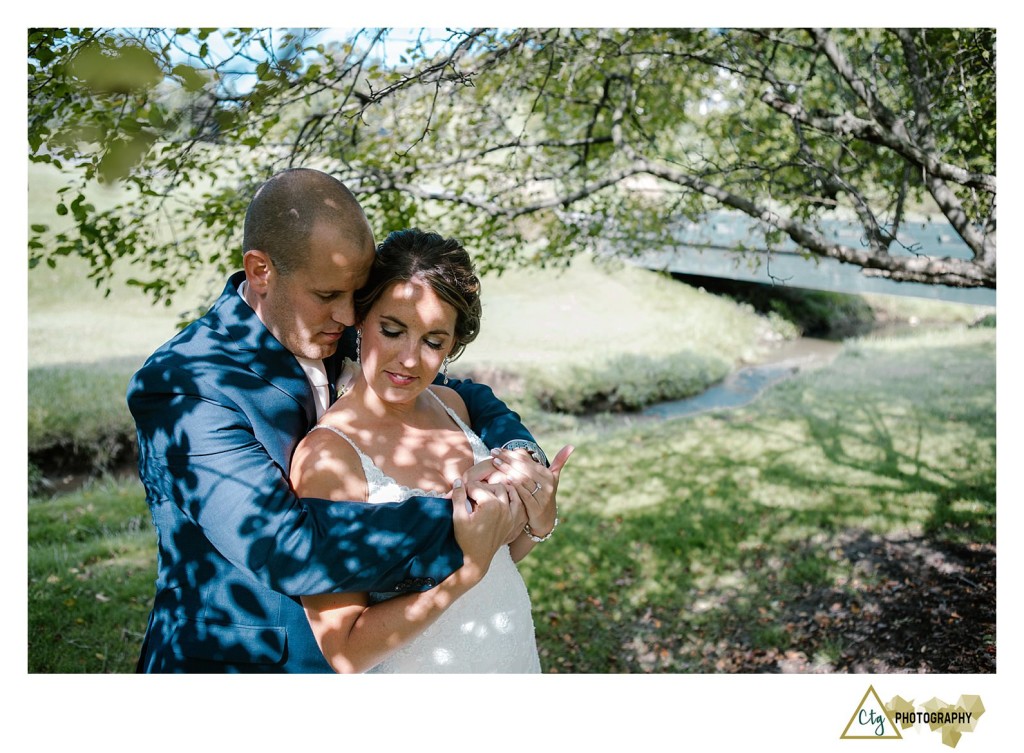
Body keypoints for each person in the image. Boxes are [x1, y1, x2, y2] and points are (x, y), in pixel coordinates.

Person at [127, 168, 556, 673]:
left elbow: (462, 395)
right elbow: (286, 547)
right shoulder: (187, 384)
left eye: (356, 294)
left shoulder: (336, 327)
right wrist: (472, 517)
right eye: (329, 295)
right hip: (247, 663)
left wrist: (521, 457)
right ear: (261, 271)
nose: (351, 316)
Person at [290, 228, 573, 673]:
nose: (408, 358)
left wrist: (540, 519)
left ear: (453, 345)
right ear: (360, 319)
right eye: (392, 329)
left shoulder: (455, 406)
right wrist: (463, 575)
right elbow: (344, 651)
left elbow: (499, 554)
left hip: (511, 655)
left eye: (433, 341)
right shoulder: (328, 458)